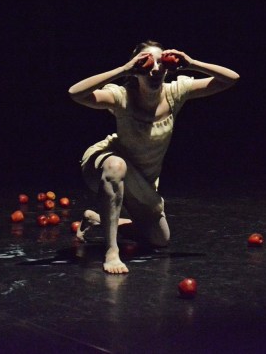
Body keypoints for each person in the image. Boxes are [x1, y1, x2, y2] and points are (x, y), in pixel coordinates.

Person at [68, 41, 239, 273]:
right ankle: (111, 250)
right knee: (117, 165)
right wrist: (123, 70)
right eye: (147, 62)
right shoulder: (122, 96)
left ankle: (98, 220)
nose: (156, 68)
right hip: (107, 164)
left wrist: (192, 63)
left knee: (160, 239)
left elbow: (231, 79)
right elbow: (75, 93)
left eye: (161, 62)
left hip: (142, 182)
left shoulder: (175, 92)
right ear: (136, 69)